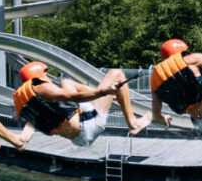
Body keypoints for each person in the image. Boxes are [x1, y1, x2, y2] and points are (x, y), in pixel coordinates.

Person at [12, 61, 150, 146]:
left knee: (66, 82)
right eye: (45, 74)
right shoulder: (42, 88)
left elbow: (27, 133)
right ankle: (133, 123)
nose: (47, 77)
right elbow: (71, 96)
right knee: (116, 73)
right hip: (89, 124)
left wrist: (20, 141)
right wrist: (102, 92)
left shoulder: (33, 106)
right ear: (39, 76)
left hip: (79, 137)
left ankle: (113, 96)